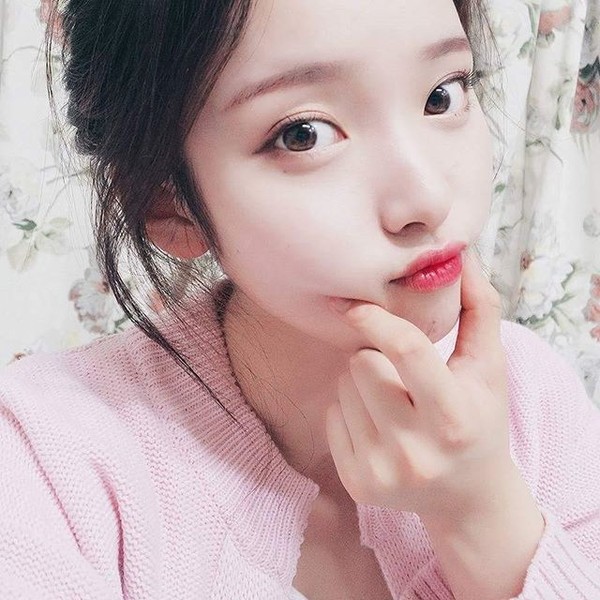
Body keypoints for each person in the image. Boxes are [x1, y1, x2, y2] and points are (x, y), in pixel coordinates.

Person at [1, 0, 599, 598]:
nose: (426, 199)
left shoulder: (532, 397)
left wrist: (482, 515)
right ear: (169, 205)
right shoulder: (43, 467)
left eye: (442, 95)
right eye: (303, 134)